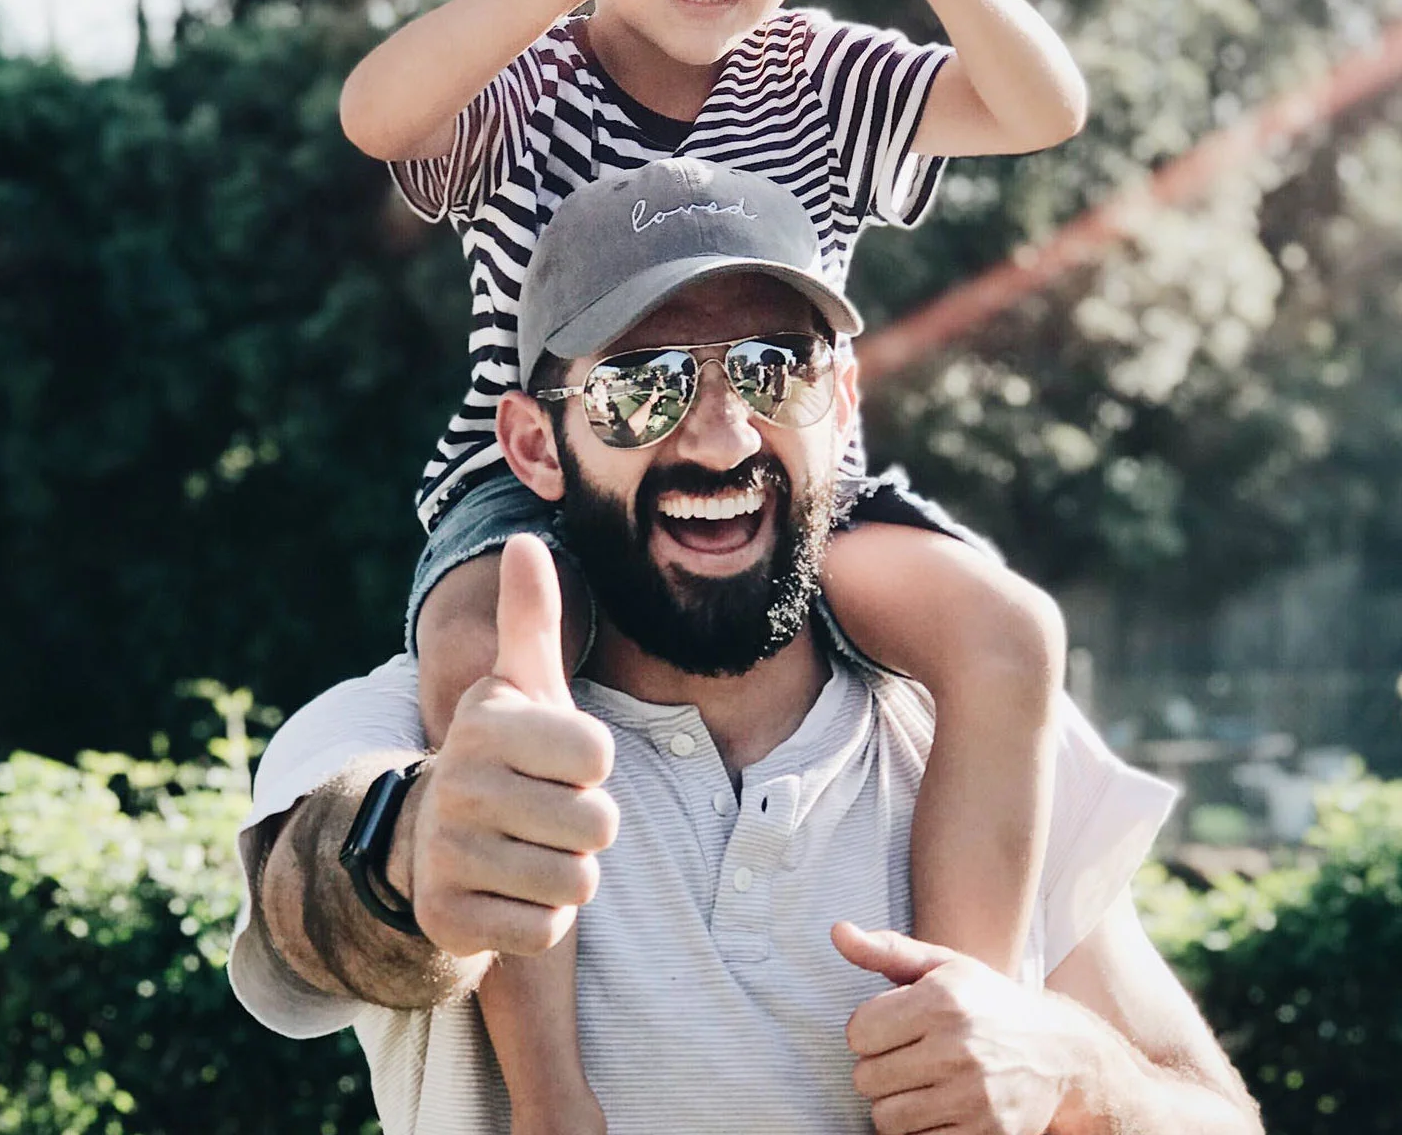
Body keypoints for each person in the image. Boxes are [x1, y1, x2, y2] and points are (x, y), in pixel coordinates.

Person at [339, 0, 1090, 1131]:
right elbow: (378, 113)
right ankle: (552, 1094)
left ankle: (951, 1022)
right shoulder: (530, 79)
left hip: (799, 487)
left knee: (1008, 630)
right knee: (491, 642)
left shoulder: (822, 74)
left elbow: (1040, 108)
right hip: (547, 483)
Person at [229, 160, 1262, 1135]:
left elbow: (1220, 1116)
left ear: (842, 405)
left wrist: (1074, 1069)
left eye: (774, 371)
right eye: (642, 384)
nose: (721, 438)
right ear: (536, 445)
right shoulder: (427, 727)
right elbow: (306, 902)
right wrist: (405, 855)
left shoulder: (972, 736)